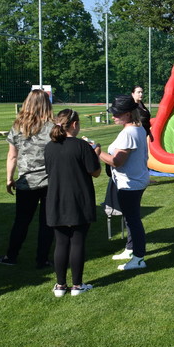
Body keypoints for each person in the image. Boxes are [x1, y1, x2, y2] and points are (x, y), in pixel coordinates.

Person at [45, 109, 101, 296]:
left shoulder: (49, 146)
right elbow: (95, 171)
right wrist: (95, 152)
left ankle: (60, 285)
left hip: (56, 198)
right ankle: (77, 285)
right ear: (74, 124)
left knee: (61, 243)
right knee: (77, 242)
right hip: (79, 198)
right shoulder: (82, 146)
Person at [0, 89, 55, 268]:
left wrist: (9, 178)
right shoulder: (53, 127)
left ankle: (11, 256)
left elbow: (12, 156)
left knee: (21, 221)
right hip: (50, 181)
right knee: (47, 222)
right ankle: (42, 259)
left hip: (26, 181)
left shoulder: (18, 126)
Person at [99, 95, 150, 271]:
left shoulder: (129, 133)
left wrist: (96, 151)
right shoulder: (138, 128)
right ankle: (130, 249)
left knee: (133, 220)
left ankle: (138, 258)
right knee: (130, 218)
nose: (113, 116)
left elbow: (116, 161)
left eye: (117, 113)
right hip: (135, 180)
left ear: (128, 114)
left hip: (130, 184)